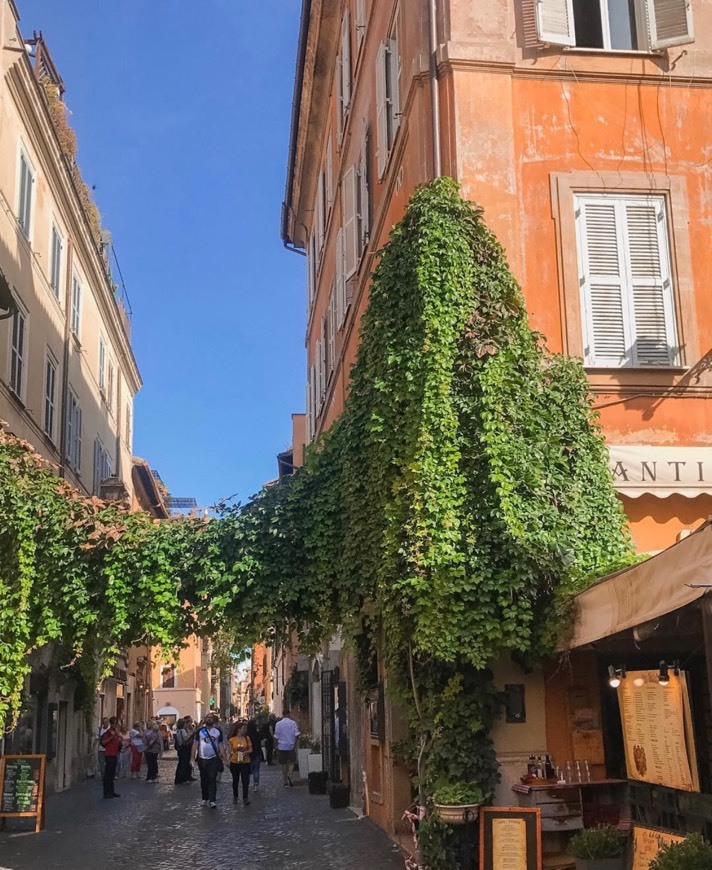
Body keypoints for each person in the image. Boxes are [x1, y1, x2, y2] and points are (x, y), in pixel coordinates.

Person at [192, 714, 226, 808]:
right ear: (205, 719)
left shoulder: (218, 731)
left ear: (213, 720)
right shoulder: (200, 731)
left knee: (212, 778)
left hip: (213, 758)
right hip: (202, 758)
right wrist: (192, 758)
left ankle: (212, 799)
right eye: (207, 717)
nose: (209, 719)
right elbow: (195, 744)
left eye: (211, 718)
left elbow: (221, 745)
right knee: (204, 778)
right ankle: (204, 798)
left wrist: (225, 758)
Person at [228, 721, 252, 805]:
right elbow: (229, 751)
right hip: (235, 762)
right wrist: (228, 760)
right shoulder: (232, 740)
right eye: (243, 728)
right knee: (235, 780)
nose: (245, 730)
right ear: (239, 729)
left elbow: (251, 749)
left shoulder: (247, 738)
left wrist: (246, 752)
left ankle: (245, 797)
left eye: (245, 728)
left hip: (245, 762)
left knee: (245, 780)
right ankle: (235, 796)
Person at [274, 710, 300, 787]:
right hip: (291, 745)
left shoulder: (278, 724)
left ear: (283, 714)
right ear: (289, 714)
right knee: (291, 762)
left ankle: (285, 781)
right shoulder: (293, 723)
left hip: (281, 746)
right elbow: (297, 734)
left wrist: (276, 746)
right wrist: (295, 743)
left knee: (284, 764)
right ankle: (290, 775)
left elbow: (276, 736)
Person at [100, 716, 121, 798]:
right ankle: (106, 792)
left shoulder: (116, 732)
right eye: (114, 723)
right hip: (109, 755)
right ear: (111, 724)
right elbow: (103, 742)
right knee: (108, 775)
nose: (115, 725)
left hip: (114, 754)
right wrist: (111, 738)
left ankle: (111, 791)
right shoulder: (108, 732)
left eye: (116, 723)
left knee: (112, 774)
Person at [174, 718, 193, 785]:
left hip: (180, 749)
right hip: (184, 748)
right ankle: (182, 779)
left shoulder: (178, 731)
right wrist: (190, 735)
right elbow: (185, 739)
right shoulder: (182, 730)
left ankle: (178, 779)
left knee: (180, 764)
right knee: (183, 764)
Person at [247, 719, 262, 791]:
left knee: (247, 770)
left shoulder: (246, 735)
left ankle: (247, 783)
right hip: (257, 753)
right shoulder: (257, 733)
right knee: (256, 770)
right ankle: (256, 785)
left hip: (248, 754)